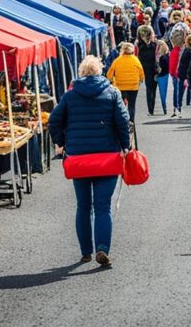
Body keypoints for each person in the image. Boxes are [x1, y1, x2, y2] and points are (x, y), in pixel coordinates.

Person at [49, 56, 131, 268]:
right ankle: (102, 248)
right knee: (103, 207)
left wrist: (62, 143)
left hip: (79, 159)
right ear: (100, 71)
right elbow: (123, 121)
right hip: (107, 157)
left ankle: (85, 251)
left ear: (81, 73)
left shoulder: (70, 95)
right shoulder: (112, 93)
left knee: (83, 207)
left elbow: (54, 120)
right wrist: (125, 146)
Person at [105, 42, 144, 123]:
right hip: (133, 86)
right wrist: (140, 80)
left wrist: (111, 80)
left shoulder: (117, 60)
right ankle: (131, 121)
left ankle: (122, 120)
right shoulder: (135, 60)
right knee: (132, 105)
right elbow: (141, 72)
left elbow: (109, 73)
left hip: (121, 86)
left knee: (121, 105)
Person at [136, 26, 159, 116]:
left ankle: (150, 109)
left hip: (146, 68)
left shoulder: (139, 45)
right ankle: (151, 107)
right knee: (153, 88)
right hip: (154, 68)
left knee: (149, 89)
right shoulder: (155, 44)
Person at [156, 40, 170, 115]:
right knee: (166, 93)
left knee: (162, 94)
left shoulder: (159, 57)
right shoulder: (168, 55)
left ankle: (164, 108)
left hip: (161, 76)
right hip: (167, 75)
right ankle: (167, 108)